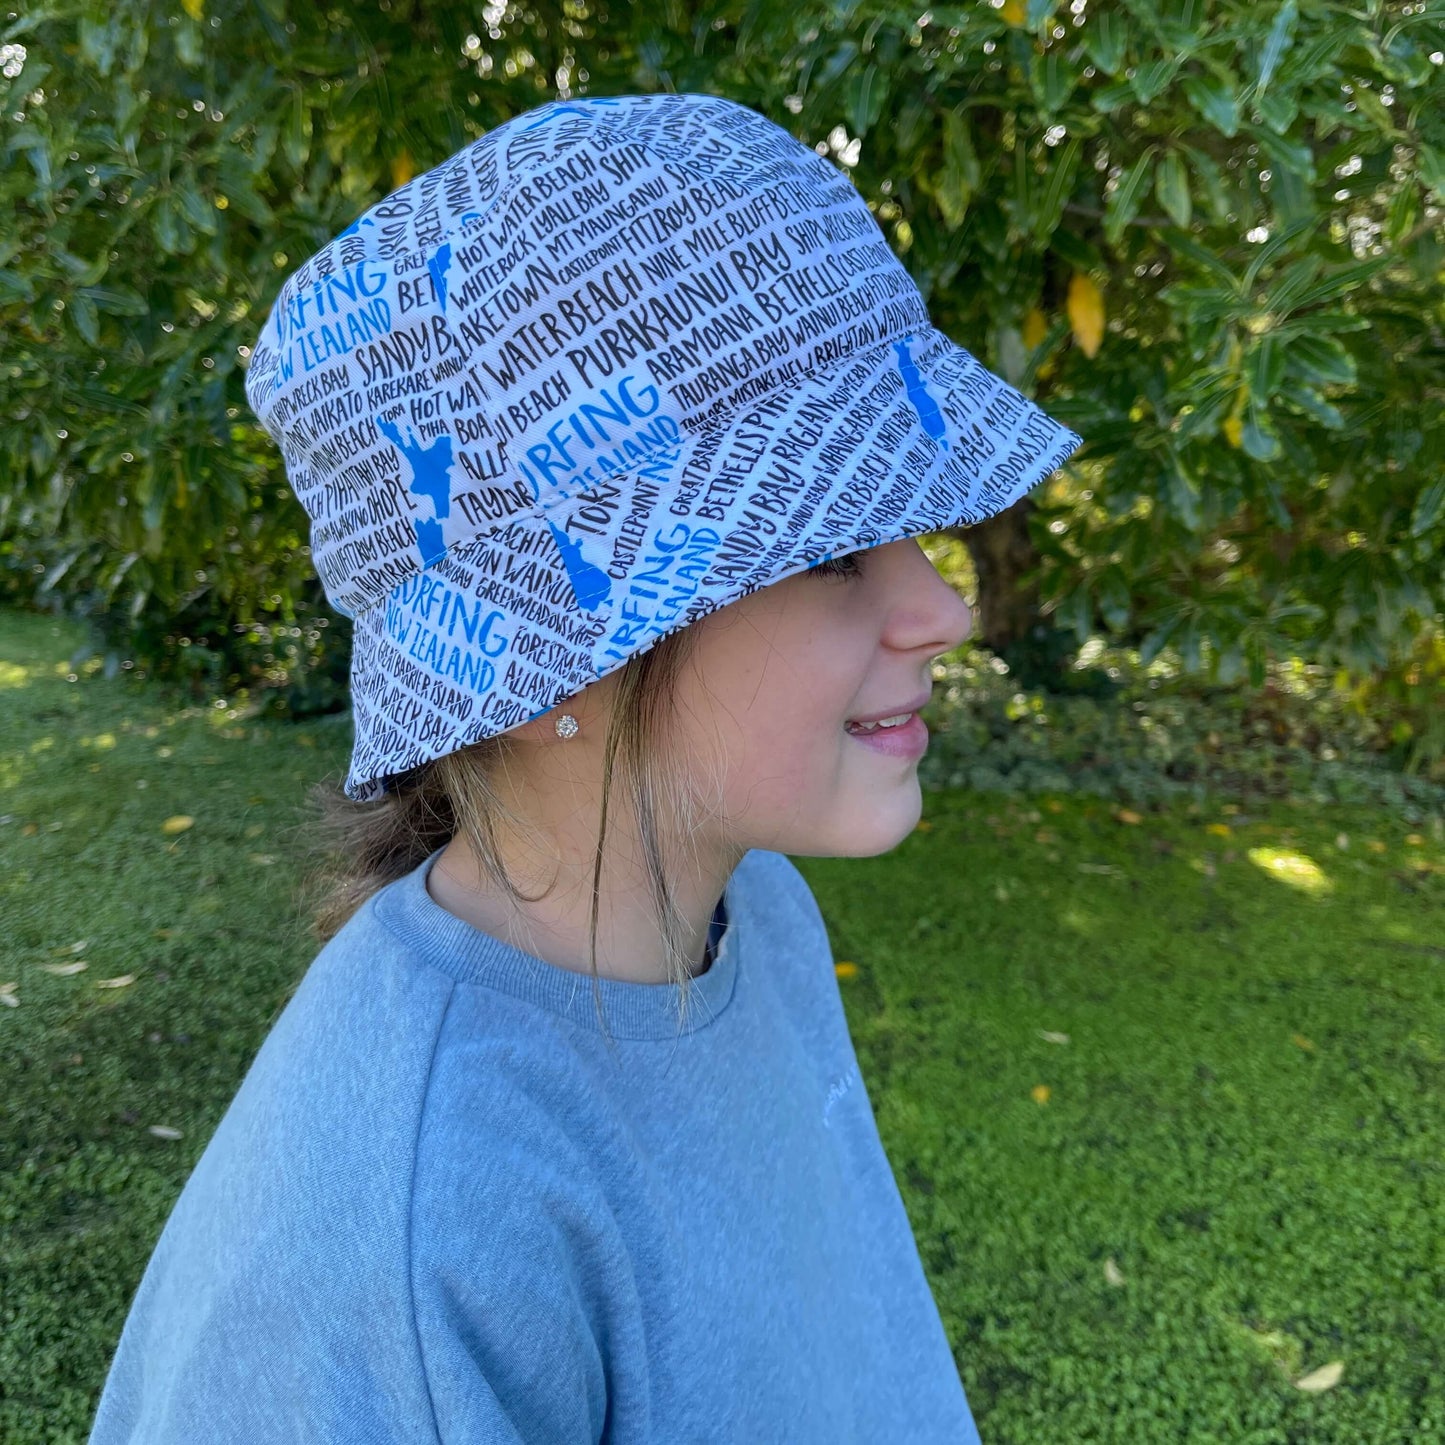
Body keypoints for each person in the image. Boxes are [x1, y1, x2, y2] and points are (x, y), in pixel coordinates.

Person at [87, 92, 1081, 1443]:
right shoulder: (401, 1236)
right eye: (831, 544)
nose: (939, 608)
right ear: (561, 653)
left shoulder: (750, 916)